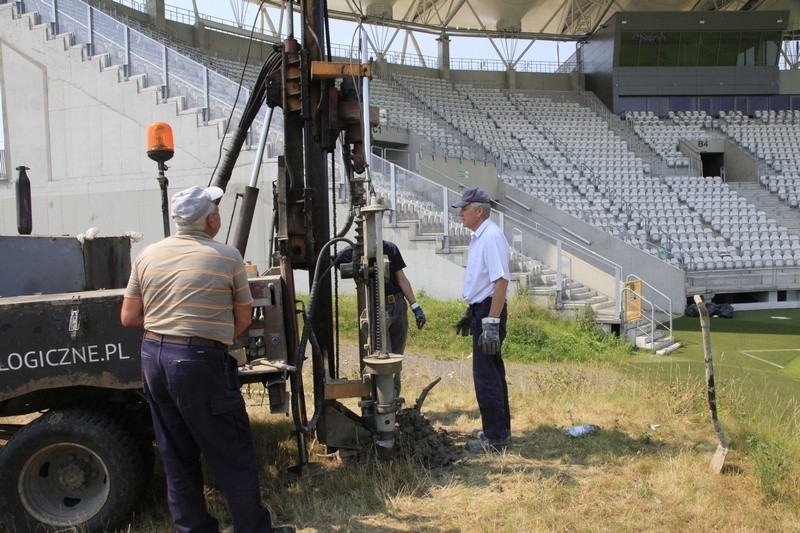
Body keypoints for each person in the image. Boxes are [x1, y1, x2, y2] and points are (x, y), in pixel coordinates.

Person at [120, 185, 295, 533]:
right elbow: (243, 318)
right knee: (231, 452)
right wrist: (206, 336)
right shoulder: (227, 256)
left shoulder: (147, 256)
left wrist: (168, 329)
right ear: (211, 219)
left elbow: (128, 316)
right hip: (198, 361)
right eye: (216, 209)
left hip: (153, 357)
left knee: (176, 454)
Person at [452, 187, 512, 454]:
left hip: (489, 311)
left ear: (479, 211)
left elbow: (501, 281)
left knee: (486, 376)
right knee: (493, 373)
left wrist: (491, 322)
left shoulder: (491, 237)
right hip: (482, 309)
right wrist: (472, 312)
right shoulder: (480, 237)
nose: (460, 213)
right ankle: (498, 430)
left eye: (464, 209)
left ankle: (496, 439)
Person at [333, 240, 426, 392]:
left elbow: (401, 278)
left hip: (398, 305)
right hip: (378, 310)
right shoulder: (352, 252)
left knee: (397, 357)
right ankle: (386, 400)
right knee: (385, 358)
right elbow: (330, 261)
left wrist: (415, 306)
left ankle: (394, 400)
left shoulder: (390, 248)